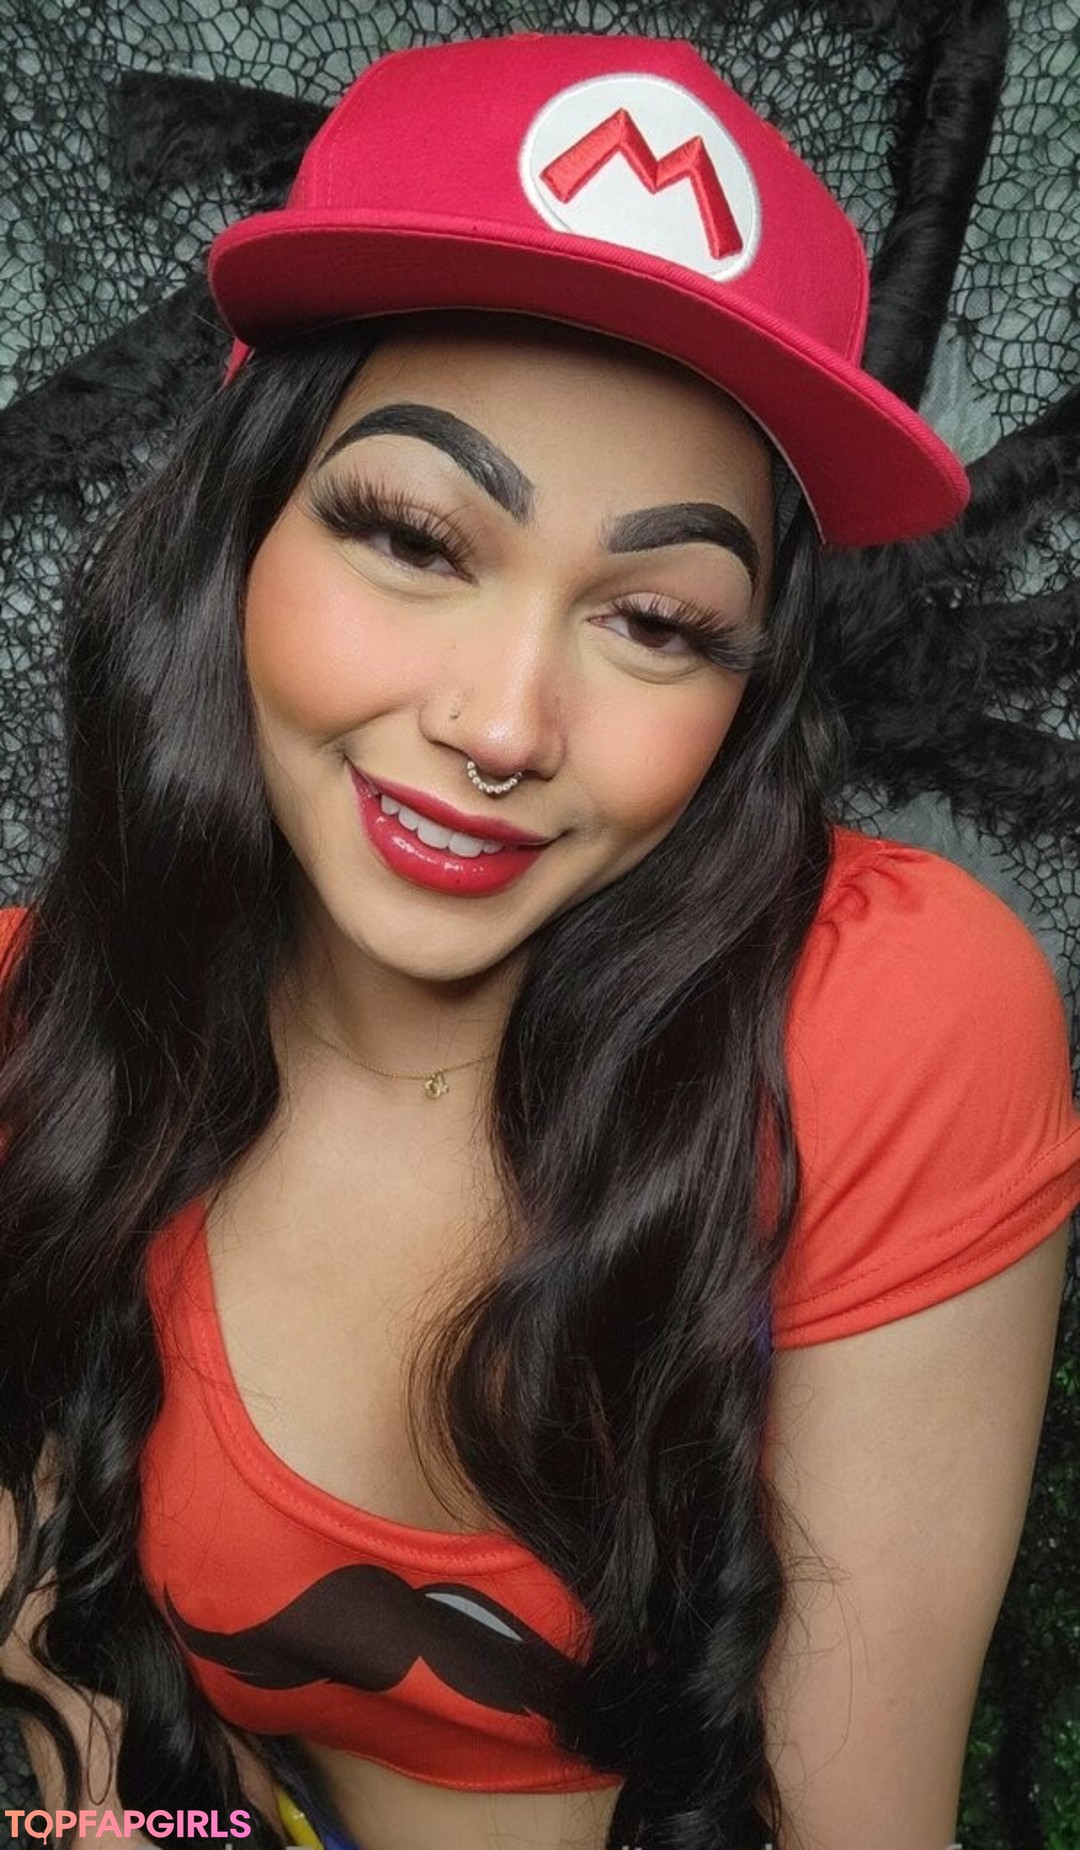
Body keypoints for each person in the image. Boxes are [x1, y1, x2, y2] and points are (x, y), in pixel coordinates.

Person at [0, 29, 1077, 1850]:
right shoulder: (45, 1032)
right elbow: (83, 1761)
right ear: (239, 529)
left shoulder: (890, 1014)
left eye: (657, 621)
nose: (503, 725)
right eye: (417, 536)